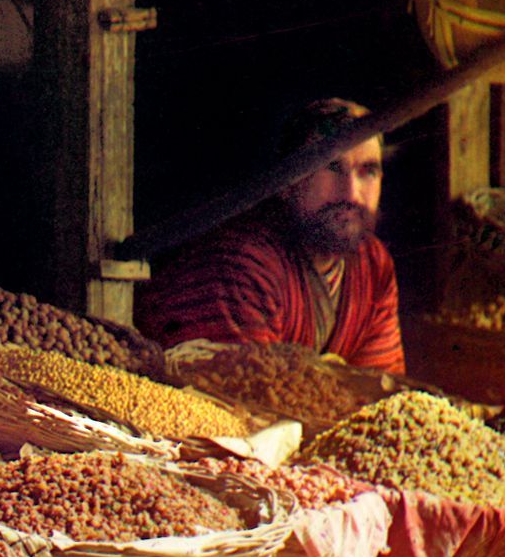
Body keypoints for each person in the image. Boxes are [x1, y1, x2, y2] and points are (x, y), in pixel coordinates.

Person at [139, 97, 405, 374]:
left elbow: (379, 389)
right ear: (288, 181)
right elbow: (248, 395)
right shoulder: (244, 261)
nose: (351, 193)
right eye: (332, 167)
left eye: (368, 171)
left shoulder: (373, 264)